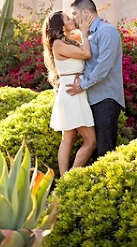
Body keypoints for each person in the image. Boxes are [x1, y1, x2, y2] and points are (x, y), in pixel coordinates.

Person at [65, 0, 125, 159]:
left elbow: (103, 66)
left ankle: (107, 185)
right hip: (91, 98)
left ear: (85, 12)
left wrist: (83, 85)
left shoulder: (107, 31)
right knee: (94, 149)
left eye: (74, 13)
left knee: (105, 151)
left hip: (105, 99)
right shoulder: (87, 35)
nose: (73, 18)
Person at [42, 10, 96, 175]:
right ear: (61, 25)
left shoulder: (67, 41)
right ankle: (69, 178)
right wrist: (84, 32)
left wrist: (83, 30)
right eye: (67, 18)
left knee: (68, 139)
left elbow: (86, 45)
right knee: (90, 141)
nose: (71, 18)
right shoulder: (58, 44)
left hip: (72, 90)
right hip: (72, 93)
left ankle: (63, 184)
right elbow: (86, 53)